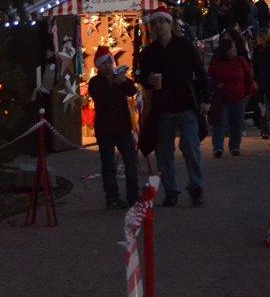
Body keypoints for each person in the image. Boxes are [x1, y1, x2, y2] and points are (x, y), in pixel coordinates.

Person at [135, 11, 211, 207]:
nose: (158, 25)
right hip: (163, 108)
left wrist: (205, 100)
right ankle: (171, 191)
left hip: (186, 105)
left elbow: (201, 73)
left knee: (190, 147)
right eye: (155, 23)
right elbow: (142, 77)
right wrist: (148, 81)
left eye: (162, 22)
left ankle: (196, 187)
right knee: (163, 152)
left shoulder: (184, 46)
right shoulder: (150, 52)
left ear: (170, 24)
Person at [88, 47, 140, 209]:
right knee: (109, 164)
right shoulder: (95, 82)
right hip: (105, 130)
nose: (107, 66)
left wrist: (123, 80)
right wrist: (113, 85)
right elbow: (101, 100)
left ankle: (134, 195)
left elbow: (132, 90)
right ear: (98, 66)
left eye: (109, 62)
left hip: (123, 127)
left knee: (131, 162)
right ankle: (112, 197)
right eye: (103, 63)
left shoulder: (119, 77)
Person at [207, 34, 254, 158]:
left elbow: (249, 77)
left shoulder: (240, 61)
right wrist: (215, 85)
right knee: (220, 122)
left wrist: (248, 93)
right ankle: (218, 146)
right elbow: (209, 78)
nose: (234, 51)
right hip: (221, 97)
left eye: (234, 48)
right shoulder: (216, 63)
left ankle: (234, 146)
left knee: (237, 123)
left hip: (238, 96)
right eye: (231, 48)